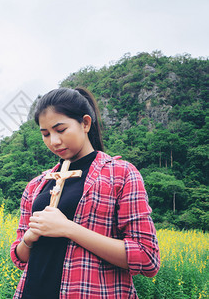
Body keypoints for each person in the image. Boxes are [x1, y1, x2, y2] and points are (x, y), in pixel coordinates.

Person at [10, 87, 160, 298]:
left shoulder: (121, 174)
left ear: (86, 123)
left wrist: (68, 228)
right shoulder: (36, 185)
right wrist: (28, 239)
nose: (53, 141)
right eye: (45, 134)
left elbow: (147, 258)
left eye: (60, 130)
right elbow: (19, 258)